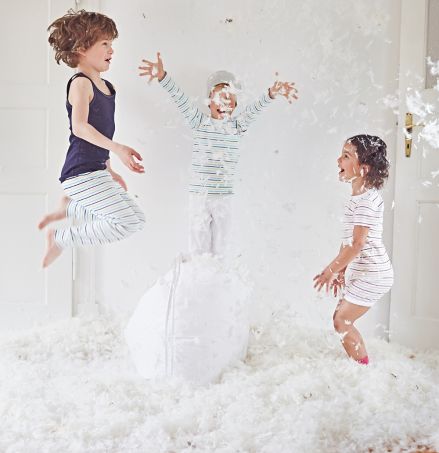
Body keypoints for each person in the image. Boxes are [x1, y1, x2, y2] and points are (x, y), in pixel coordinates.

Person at [139, 52, 298, 256]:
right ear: (208, 102)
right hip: (200, 196)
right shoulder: (200, 122)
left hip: (223, 197)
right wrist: (163, 77)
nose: (224, 103)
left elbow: (255, 109)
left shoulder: (237, 126)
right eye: (219, 98)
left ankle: (219, 272)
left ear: (235, 105)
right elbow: (181, 100)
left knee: (223, 247)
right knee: (198, 247)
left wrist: (271, 94)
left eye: (229, 99)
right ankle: (197, 271)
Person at [39, 9, 145, 268]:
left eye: (111, 43)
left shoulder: (107, 87)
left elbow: (101, 132)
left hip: (95, 169)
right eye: (105, 43)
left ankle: (70, 208)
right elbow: (80, 128)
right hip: (80, 172)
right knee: (126, 222)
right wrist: (118, 149)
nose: (112, 50)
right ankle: (60, 238)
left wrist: (109, 168)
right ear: (82, 48)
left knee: (137, 219)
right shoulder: (81, 83)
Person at [313, 135, 394, 365]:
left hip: (374, 273)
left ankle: (363, 367)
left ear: (364, 169)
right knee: (340, 318)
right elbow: (348, 241)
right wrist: (342, 270)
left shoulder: (365, 202)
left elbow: (357, 245)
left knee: (342, 321)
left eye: (346, 156)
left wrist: (330, 270)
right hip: (366, 271)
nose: (339, 160)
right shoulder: (358, 198)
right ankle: (359, 363)